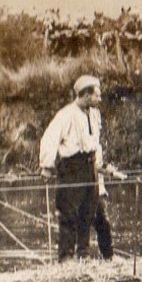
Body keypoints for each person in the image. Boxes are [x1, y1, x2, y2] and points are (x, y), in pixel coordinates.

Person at [39, 75, 118, 261]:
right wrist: (47, 165)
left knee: (89, 212)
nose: (99, 99)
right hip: (71, 169)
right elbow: (50, 138)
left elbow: (96, 144)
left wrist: (101, 167)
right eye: (96, 95)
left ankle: (83, 256)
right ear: (85, 95)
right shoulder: (65, 115)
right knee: (68, 214)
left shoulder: (94, 114)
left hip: (89, 167)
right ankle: (66, 259)